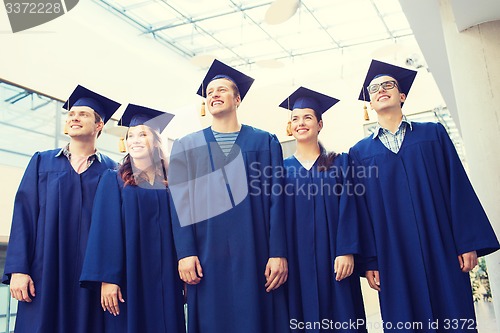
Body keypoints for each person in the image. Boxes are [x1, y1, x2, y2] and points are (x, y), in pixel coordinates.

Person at [349, 59, 500, 332]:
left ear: (402, 95)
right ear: (370, 103)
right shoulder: (359, 153)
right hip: (393, 253)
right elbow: (361, 211)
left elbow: (457, 187)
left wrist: (466, 242)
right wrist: (371, 261)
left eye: (388, 85)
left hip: (440, 244)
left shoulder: (433, 134)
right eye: (374, 88)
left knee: (453, 312)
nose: (381, 90)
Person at [168, 59, 289, 333]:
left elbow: (276, 200)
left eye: (221, 90)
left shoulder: (264, 142)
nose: (214, 95)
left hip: (256, 251)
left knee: (257, 317)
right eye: (210, 92)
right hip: (207, 253)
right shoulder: (187, 145)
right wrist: (185, 253)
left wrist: (278, 252)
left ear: (237, 99)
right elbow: (179, 204)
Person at [2, 85, 121, 333]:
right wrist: (18, 269)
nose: (74, 117)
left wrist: (111, 275)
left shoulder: (113, 171)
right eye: (71, 114)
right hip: (43, 269)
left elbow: (117, 230)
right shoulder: (41, 161)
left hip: (89, 277)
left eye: (83, 114)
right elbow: (23, 216)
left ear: (99, 126)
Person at [80, 104, 185, 333]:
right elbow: (104, 231)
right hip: (129, 276)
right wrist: (108, 279)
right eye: (130, 135)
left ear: (156, 142)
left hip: (167, 276)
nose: (135, 140)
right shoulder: (114, 180)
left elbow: (182, 231)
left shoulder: (171, 183)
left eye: (143, 134)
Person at [280, 87, 371, 333]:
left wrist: (347, 250)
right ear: (290, 127)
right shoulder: (281, 170)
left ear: (320, 124)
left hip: (336, 259)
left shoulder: (340, 163)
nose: (301, 123)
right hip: (297, 262)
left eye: (308, 117)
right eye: (295, 119)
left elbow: (350, 208)